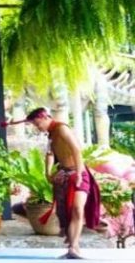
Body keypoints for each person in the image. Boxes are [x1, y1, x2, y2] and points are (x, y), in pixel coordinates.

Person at [25, 108, 101, 259]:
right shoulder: (51, 134)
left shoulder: (61, 128)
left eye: (38, 123)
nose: (37, 127)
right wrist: (48, 173)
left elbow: (76, 150)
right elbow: (50, 154)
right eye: (35, 125)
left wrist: (78, 173)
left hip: (79, 173)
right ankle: (72, 247)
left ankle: (74, 246)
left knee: (78, 208)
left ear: (45, 118)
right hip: (64, 174)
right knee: (68, 212)